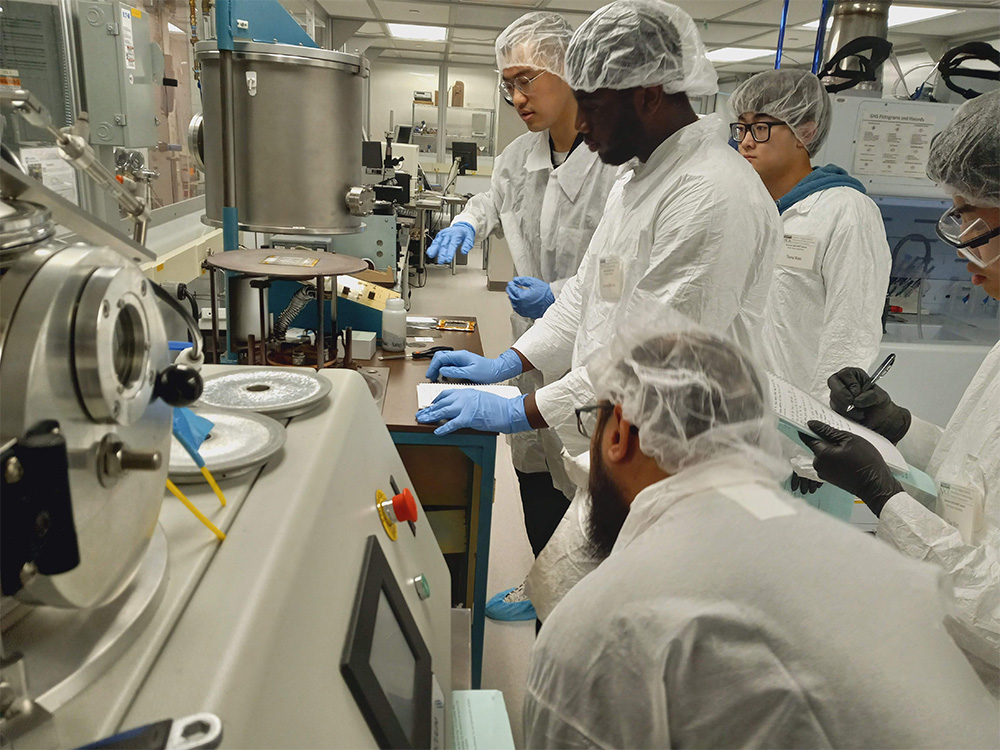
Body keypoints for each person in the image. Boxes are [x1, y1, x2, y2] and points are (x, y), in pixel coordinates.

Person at [416, 0, 781, 619]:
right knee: (587, 600)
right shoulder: (641, 180)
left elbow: (649, 363)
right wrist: (509, 362)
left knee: (645, 623)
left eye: (593, 105)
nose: (580, 126)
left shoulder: (711, 194)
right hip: (625, 436)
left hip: (688, 456)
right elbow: (586, 295)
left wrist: (522, 408)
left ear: (647, 93)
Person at [522, 316, 998, 749]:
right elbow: (972, 462)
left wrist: (886, 497)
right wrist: (901, 428)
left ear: (619, 435)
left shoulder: (595, 628)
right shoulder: (868, 572)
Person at [802, 89, 999, 693]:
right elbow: (978, 478)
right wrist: (898, 426)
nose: (961, 247)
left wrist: (883, 494)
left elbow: (991, 610)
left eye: (973, 218)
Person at [425, 13, 620, 621]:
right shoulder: (519, 154)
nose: (515, 98)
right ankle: (542, 583)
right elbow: (493, 196)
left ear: (569, 72)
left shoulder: (616, 161)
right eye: (507, 83)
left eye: (526, 80)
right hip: (533, 342)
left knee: (588, 485)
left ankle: (578, 608)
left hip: (595, 352)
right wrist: (465, 221)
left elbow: (614, 275)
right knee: (533, 465)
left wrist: (559, 294)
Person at [729, 69, 891, 402]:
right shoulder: (747, 207)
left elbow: (850, 333)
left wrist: (822, 423)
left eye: (760, 127)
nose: (745, 140)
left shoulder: (846, 211)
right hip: (737, 407)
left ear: (804, 132)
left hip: (800, 419)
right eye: (742, 127)